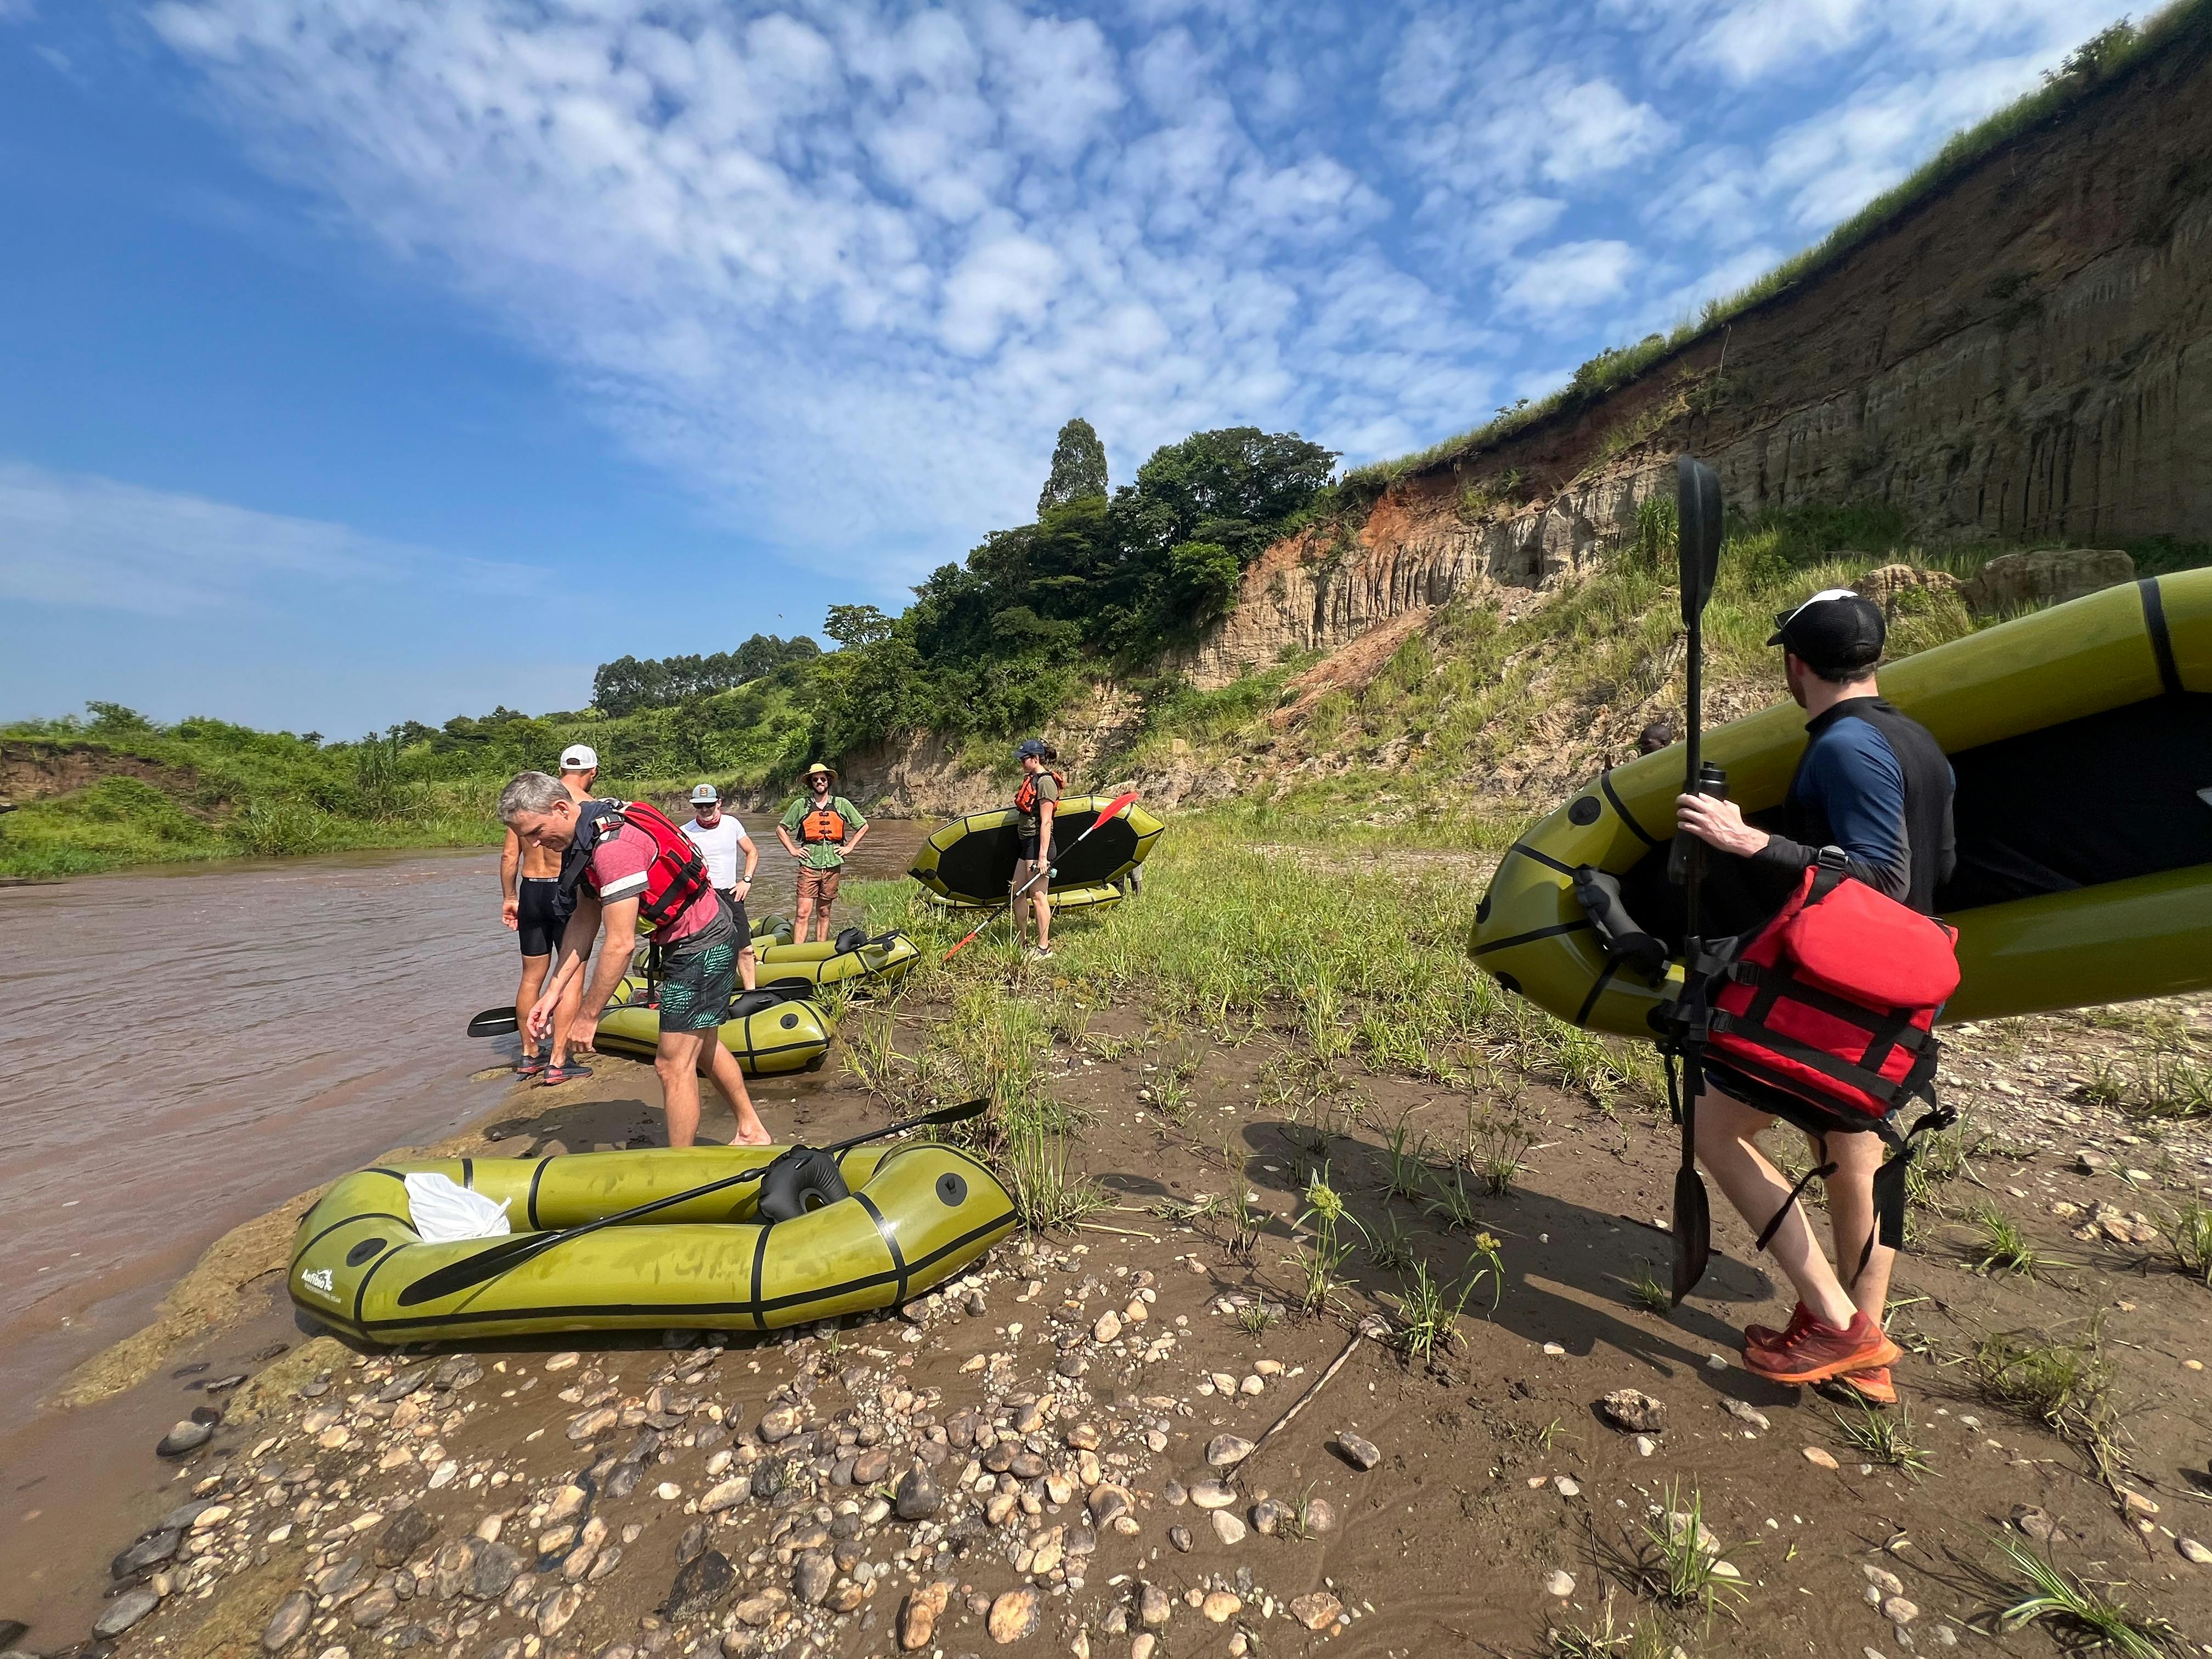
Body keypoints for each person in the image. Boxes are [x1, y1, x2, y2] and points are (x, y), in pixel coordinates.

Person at [1674, 589, 1955, 1400]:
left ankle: (1837, 1322)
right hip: (1896, 997)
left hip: (1842, 996)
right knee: (1851, 1156)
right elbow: (1939, 868)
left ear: (1796, 666)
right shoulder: (1920, 744)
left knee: (1715, 1130)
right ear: (1874, 657)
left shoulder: (1845, 746)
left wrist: (1748, 841)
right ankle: (1867, 1356)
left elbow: (1884, 877)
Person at [499, 772, 770, 1148]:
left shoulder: (614, 849)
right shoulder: (584, 834)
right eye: (525, 836)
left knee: (671, 1065)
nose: (533, 844)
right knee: (702, 1044)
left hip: (702, 942)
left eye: (536, 831)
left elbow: (621, 945)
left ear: (561, 808)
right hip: (688, 937)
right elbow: (584, 918)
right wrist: (553, 992)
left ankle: (681, 1169)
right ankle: (751, 1129)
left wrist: (588, 1017)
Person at [498, 743, 601, 1083]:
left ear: (560, 771)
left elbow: (509, 857)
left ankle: (529, 1054)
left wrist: (510, 897)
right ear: (593, 773)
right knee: (571, 972)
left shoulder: (526, 805)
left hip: (530, 890)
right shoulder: (580, 807)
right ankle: (558, 1059)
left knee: (531, 976)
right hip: (566, 891)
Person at [777, 763, 868, 945]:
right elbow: (781, 829)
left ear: (829, 781)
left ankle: (820, 948)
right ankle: (797, 951)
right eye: (815, 779)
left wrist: (849, 847)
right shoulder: (801, 805)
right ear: (811, 783)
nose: (820, 782)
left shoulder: (842, 804)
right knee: (802, 912)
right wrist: (793, 850)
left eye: (823, 779)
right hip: (809, 865)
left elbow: (863, 826)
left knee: (824, 911)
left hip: (832, 866)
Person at [680, 783, 758, 992]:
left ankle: (751, 993)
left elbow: (752, 852)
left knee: (745, 949)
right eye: (699, 806)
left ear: (719, 803)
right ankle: (707, 994)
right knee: (706, 950)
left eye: (709, 804)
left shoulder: (732, 824)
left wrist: (746, 880)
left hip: (731, 894)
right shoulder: (685, 832)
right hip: (702, 897)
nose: (705, 809)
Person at [1011, 738, 1063, 959]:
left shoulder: (1046, 782)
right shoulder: (1031, 779)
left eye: (1024, 759)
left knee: (1038, 896)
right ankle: (1022, 942)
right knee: (1016, 892)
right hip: (1027, 844)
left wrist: (1043, 857)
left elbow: (1047, 822)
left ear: (1035, 759)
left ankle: (1044, 948)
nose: (1021, 763)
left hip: (1038, 845)